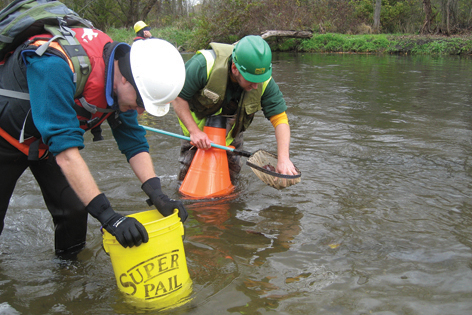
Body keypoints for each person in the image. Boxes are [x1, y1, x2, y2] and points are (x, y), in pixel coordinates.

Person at [0, 27, 188, 257]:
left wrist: (158, 194)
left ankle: (69, 274)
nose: (139, 111)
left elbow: (134, 143)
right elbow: (67, 153)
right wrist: (110, 217)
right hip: (5, 136)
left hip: (45, 143)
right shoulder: (55, 65)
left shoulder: (123, 79)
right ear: (126, 79)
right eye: (141, 102)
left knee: (75, 209)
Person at [171, 35, 298, 183]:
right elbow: (178, 97)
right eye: (251, 79)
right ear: (234, 68)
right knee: (188, 179)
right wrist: (194, 131)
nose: (256, 86)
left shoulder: (264, 81)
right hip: (195, 130)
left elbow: (280, 118)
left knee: (232, 182)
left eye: (260, 80)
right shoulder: (202, 65)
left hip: (230, 134)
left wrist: (284, 159)